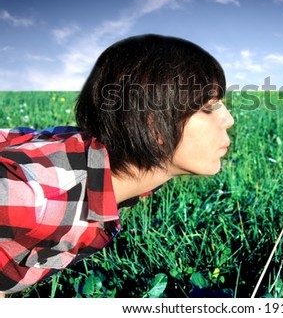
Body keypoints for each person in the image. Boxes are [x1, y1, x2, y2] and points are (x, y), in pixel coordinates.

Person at [0, 34, 234, 296]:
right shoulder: (35, 195)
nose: (228, 119)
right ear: (152, 124)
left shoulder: (125, 172)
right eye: (209, 106)